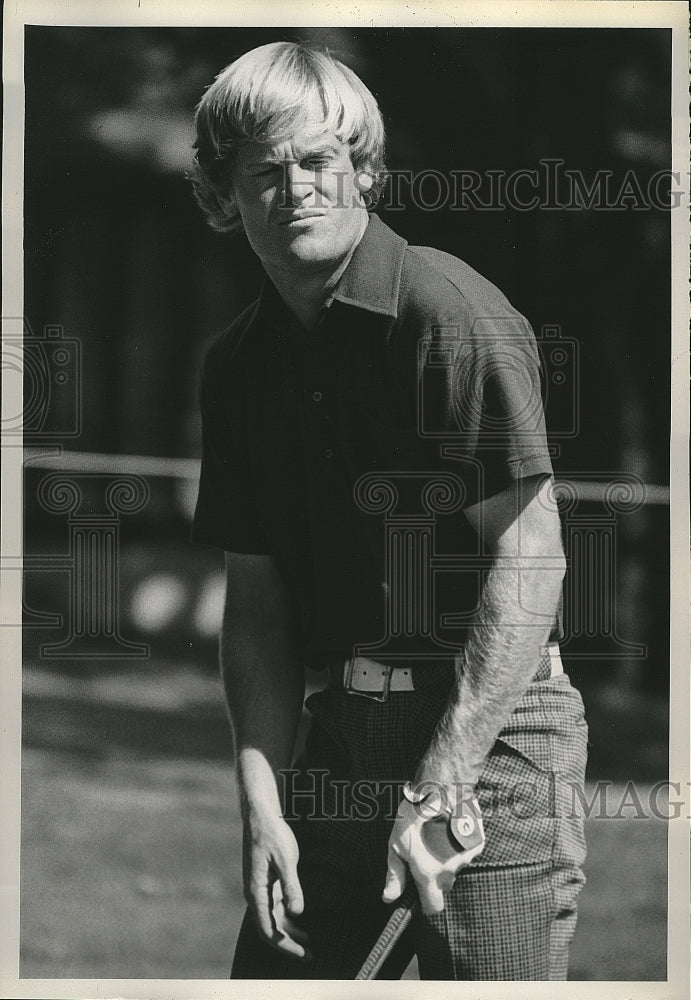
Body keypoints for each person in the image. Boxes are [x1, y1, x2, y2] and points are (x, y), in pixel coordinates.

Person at [190, 40, 588, 981]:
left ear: (363, 169)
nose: (297, 189)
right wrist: (262, 801)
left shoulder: (449, 314)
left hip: (497, 734)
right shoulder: (238, 365)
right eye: (265, 170)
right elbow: (257, 601)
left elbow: (531, 560)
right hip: (342, 738)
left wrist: (443, 776)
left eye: (320, 161)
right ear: (222, 193)